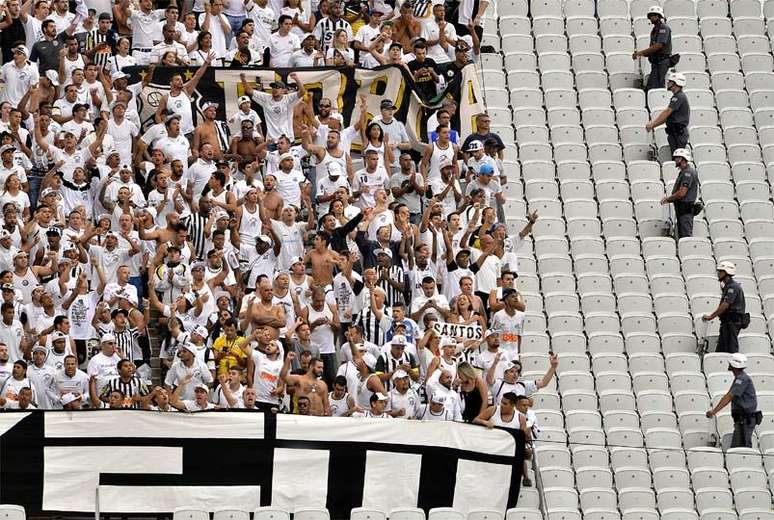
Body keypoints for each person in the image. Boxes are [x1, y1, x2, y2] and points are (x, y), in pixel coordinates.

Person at [706, 353, 759, 449]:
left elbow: (729, 397)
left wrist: (714, 411)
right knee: (739, 447)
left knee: (742, 448)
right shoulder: (740, 378)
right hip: (742, 420)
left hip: (745, 420)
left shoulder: (742, 379)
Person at [703, 261, 747, 354]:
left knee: (731, 350)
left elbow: (725, 305)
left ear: (726, 273)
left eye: (721, 271)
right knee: (721, 351)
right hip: (727, 323)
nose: (718, 274)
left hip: (731, 323)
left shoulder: (733, 287)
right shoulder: (728, 286)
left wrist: (711, 316)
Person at [646, 71, 689, 153]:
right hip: (674, 133)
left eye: (670, 81)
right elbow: (666, 118)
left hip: (678, 134)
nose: (668, 83)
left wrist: (652, 124)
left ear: (676, 83)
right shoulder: (677, 96)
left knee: (678, 158)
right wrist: (653, 125)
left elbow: (666, 112)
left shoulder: (679, 97)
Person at [660, 148, 698, 239]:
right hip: (682, 210)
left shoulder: (687, 173)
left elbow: (682, 193)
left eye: (677, 158)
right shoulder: (684, 172)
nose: (675, 160)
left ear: (682, 159)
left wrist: (668, 199)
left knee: (685, 238)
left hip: (685, 211)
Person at [632, 5, 672, 91]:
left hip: (662, 62)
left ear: (659, 16)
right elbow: (652, 49)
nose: (652, 17)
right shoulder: (654, 30)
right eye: (651, 15)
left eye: (654, 15)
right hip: (656, 62)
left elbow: (658, 45)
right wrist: (642, 54)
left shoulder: (663, 28)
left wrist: (641, 53)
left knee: (657, 86)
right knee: (652, 85)